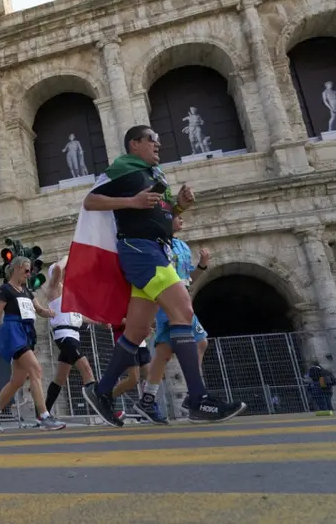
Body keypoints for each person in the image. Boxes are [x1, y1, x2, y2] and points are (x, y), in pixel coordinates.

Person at [77, 125, 245, 426]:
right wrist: (131, 202)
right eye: (153, 140)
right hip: (139, 250)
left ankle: (102, 391)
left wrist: (180, 204)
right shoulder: (123, 169)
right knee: (183, 311)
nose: (159, 145)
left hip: (154, 249)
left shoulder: (156, 176)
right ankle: (198, 399)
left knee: (138, 332)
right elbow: (90, 202)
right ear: (135, 144)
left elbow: (163, 217)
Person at [0, 257, 66, 432]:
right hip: (13, 332)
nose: (29, 274)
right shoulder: (5, 290)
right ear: (17, 268)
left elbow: (38, 309)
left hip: (26, 333)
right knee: (36, 370)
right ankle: (43, 416)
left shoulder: (26, 290)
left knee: (17, 380)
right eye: (26, 270)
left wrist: (47, 312)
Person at [138, 214, 211, 422]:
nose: (182, 219)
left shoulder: (182, 246)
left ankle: (148, 399)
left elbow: (189, 278)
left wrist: (202, 265)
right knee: (200, 342)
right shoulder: (158, 244)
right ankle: (194, 394)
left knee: (164, 351)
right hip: (168, 299)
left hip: (181, 298)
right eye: (177, 216)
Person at [42, 257, 97, 417]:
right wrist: (69, 256)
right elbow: (58, 269)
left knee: (60, 378)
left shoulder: (69, 293)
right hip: (65, 336)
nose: (67, 272)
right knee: (86, 370)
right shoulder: (54, 289)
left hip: (73, 335)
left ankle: (43, 413)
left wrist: (99, 321)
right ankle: (102, 408)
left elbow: (78, 316)